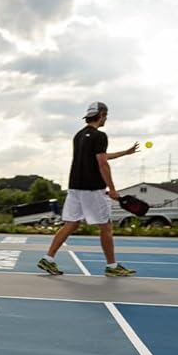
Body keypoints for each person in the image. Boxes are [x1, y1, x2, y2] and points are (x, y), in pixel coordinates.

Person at [38, 102, 139, 276]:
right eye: (105, 115)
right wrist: (113, 189)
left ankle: (48, 258)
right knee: (106, 227)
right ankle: (112, 267)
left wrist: (125, 152)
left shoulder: (79, 135)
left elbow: (100, 156)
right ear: (101, 114)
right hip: (92, 189)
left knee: (71, 223)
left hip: (75, 187)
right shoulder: (100, 136)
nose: (106, 119)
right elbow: (102, 163)